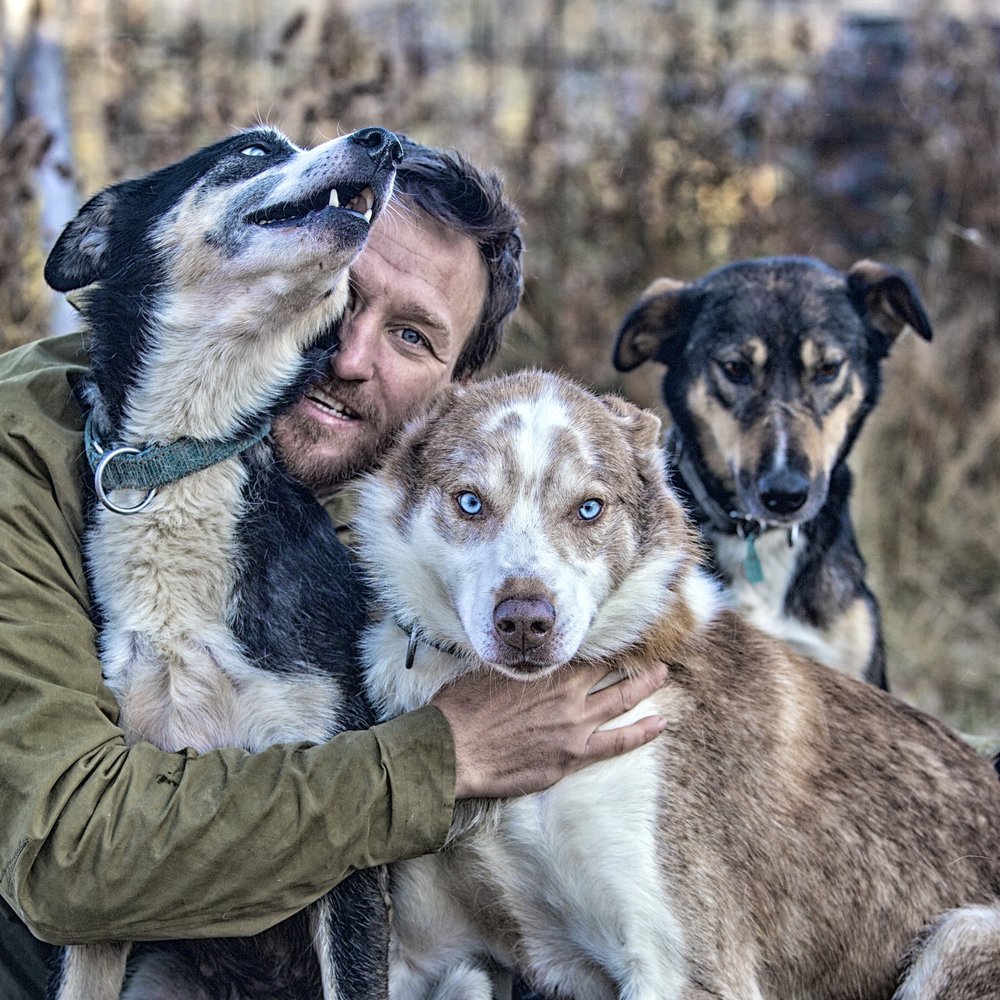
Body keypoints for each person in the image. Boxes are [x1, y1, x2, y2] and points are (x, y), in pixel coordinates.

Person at [0, 134, 669, 998]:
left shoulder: (439, 527)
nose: (350, 359)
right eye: (340, 292)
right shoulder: (37, 452)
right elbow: (68, 858)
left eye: (412, 337)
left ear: (458, 393)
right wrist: (431, 761)